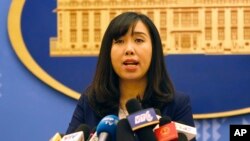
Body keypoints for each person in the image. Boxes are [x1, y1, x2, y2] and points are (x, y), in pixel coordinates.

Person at [66, 12, 195, 134]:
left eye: (138, 40)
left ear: (154, 50)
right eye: (120, 41)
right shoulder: (90, 101)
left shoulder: (177, 104)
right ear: (108, 52)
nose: (129, 50)